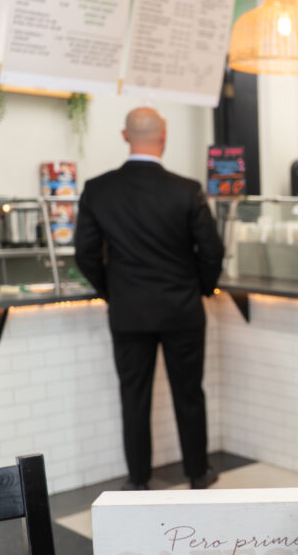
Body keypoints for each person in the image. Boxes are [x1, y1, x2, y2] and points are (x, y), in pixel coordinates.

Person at [75, 107, 224, 491]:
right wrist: (202, 289)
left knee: (133, 396)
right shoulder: (186, 189)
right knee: (189, 393)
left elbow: (85, 256)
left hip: (129, 312)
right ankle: (197, 473)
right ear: (165, 134)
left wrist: (113, 292)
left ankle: (138, 480)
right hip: (182, 309)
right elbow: (212, 251)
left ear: (125, 136)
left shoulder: (98, 189)